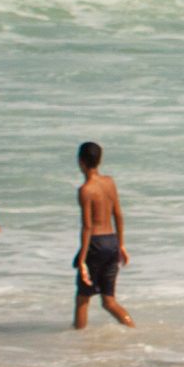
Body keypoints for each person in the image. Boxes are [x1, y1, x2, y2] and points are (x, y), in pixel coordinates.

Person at [71, 141, 133, 330]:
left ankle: (78, 342)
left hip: (95, 244)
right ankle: (133, 330)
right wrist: (121, 245)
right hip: (112, 242)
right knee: (109, 301)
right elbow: (118, 215)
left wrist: (82, 261)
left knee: (82, 299)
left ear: (81, 162)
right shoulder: (109, 182)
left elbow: (87, 227)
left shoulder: (85, 190)